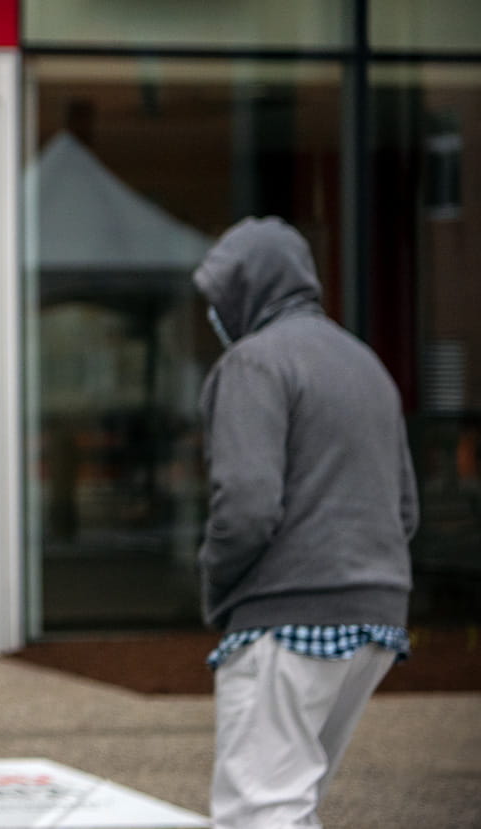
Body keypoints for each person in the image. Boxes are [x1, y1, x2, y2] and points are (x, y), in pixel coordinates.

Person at [191, 216, 417, 829]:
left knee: (259, 810)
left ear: (247, 290)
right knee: (293, 800)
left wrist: (215, 587)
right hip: (374, 621)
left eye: (219, 296)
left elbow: (245, 507)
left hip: (287, 616)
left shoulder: (254, 364)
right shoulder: (365, 364)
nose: (213, 313)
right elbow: (405, 510)